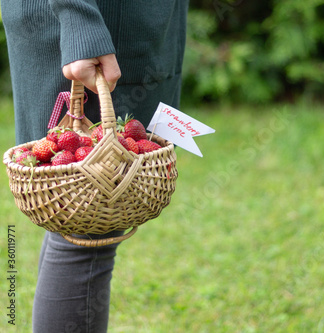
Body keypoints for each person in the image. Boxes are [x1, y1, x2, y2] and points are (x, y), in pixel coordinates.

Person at [0, 1, 189, 331]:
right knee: (88, 222)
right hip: (95, 28)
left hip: (124, 27)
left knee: (73, 210)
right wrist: (78, 21)